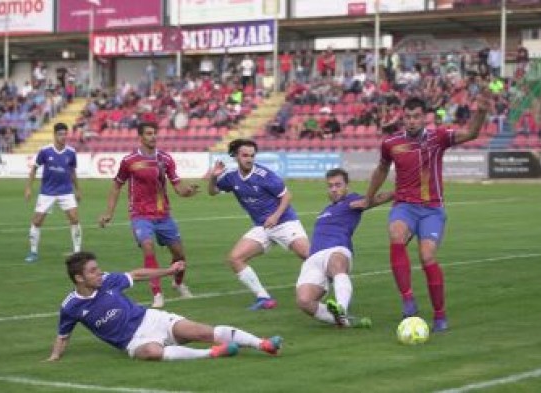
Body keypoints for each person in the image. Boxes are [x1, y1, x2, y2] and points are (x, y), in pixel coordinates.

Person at [360, 94, 490, 332]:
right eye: (408, 117)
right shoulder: (391, 143)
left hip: (432, 210)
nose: (412, 121)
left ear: (424, 118)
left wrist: (480, 113)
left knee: (427, 256)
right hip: (404, 206)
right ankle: (408, 298)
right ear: (403, 118)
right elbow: (380, 170)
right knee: (396, 235)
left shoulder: (438, 137)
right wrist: (368, 198)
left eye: (416, 116)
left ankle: (440, 314)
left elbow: (470, 134)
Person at [46, 251, 282, 362]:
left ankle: (263, 344)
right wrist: (55, 357)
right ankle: (212, 353)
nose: (99, 273)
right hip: (132, 342)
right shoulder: (71, 306)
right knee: (151, 353)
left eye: (97, 268)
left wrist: (168, 271)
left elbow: (137, 275)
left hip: (150, 319)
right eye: (92, 271)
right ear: (79, 279)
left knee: (201, 331)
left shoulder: (108, 280)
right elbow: (63, 335)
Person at [99, 122, 198, 308]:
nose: (153, 137)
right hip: (140, 215)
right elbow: (116, 186)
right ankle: (157, 293)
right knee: (148, 245)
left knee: (179, 255)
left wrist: (188, 191)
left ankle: (178, 283)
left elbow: (178, 187)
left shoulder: (166, 159)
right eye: (149, 133)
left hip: (163, 215)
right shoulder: (129, 161)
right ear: (141, 137)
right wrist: (109, 213)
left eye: (155, 133)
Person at [208, 139, 310, 310]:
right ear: (236, 157)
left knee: (309, 256)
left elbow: (287, 196)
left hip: (285, 222)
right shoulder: (232, 177)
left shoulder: (265, 175)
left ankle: (334, 279)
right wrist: (213, 177)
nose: (249, 159)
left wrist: (276, 216)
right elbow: (212, 192)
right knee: (235, 259)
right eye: (245, 155)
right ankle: (263, 297)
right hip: (262, 227)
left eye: (252, 155)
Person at [296, 168, 393, 328]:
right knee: (304, 301)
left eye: (338, 185)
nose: (334, 189)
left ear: (347, 186)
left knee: (336, 263)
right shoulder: (325, 211)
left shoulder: (353, 201)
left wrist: (399, 192)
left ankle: (341, 307)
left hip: (337, 250)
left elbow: (378, 198)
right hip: (314, 258)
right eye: (330, 186)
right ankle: (342, 321)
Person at [24, 122, 81, 263]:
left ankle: (77, 252)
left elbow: (72, 172)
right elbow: (34, 169)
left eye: (65, 134)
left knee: (74, 219)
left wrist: (78, 189)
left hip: (66, 191)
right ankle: (33, 252)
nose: (63, 137)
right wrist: (28, 188)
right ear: (54, 135)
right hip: (47, 192)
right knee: (37, 221)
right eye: (60, 134)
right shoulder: (45, 151)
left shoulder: (71, 152)